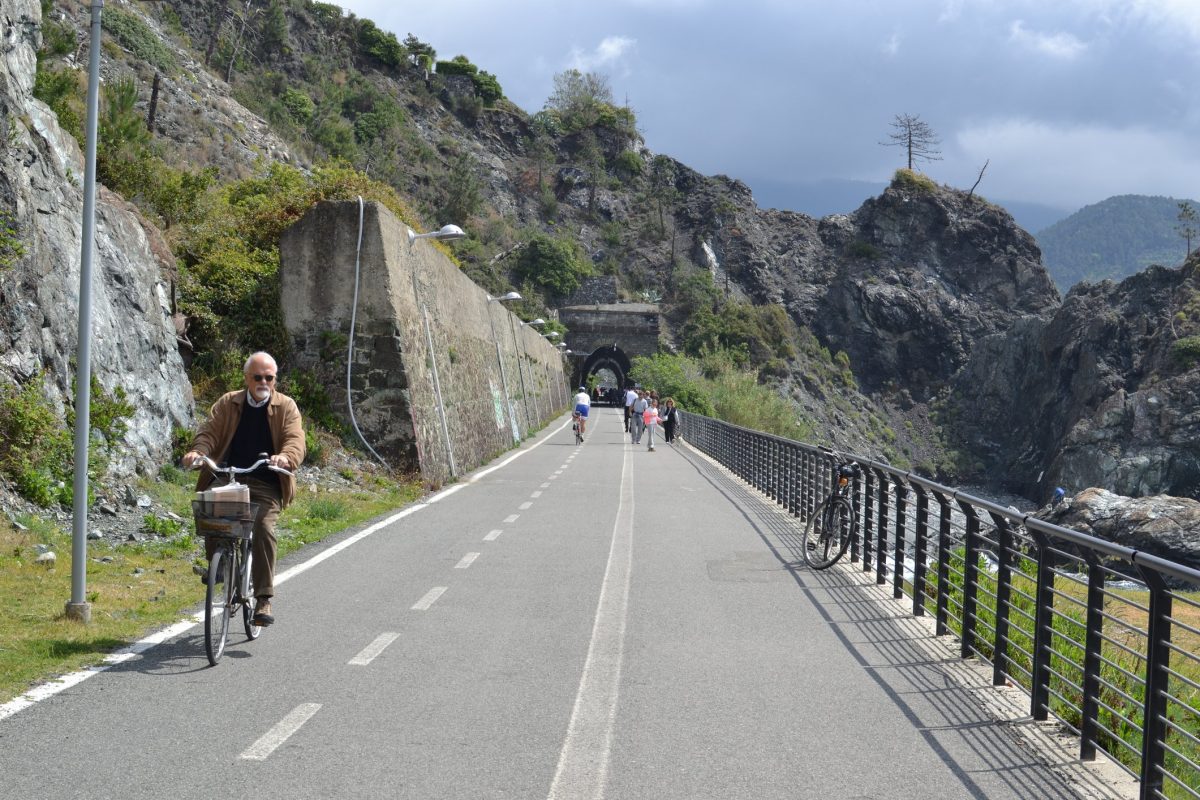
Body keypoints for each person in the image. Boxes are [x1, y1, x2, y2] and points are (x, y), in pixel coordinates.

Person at [183, 352, 305, 626]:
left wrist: (285, 456)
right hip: (231, 475)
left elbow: (295, 439)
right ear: (247, 378)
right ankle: (220, 565)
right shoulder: (229, 402)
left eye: (269, 377)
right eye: (257, 377)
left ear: (274, 379)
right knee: (208, 509)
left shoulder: (286, 406)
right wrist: (198, 452)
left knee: (262, 526)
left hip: (266, 481)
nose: (263, 382)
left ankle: (263, 598)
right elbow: (209, 432)